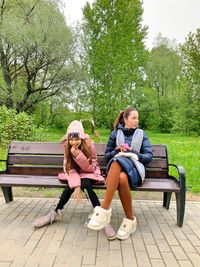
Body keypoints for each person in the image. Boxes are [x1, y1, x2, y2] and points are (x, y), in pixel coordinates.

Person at [33, 120, 116, 240]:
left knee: (86, 183)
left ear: (81, 137)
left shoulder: (89, 145)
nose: (74, 142)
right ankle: (55, 212)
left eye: (77, 139)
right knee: (71, 186)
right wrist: (76, 186)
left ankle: (101, 218)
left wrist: (79, 156)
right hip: (74, 173)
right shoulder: (67, 146)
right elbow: (69, 169)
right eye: (71, 139)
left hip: (89, 172)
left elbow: (91, 167)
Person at [87, 107, 153, 240]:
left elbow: (148, 157)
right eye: (133, 118)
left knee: (117, 162)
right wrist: (117, 150)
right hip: (118, 172)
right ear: (125, 119)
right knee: (121, 176)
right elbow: (107, 156)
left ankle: (104, 209)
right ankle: (130, 220)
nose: (136, 121)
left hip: (135, 168)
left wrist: (132, 152)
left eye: (137, 118)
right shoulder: (115, 134)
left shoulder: (141, 134)